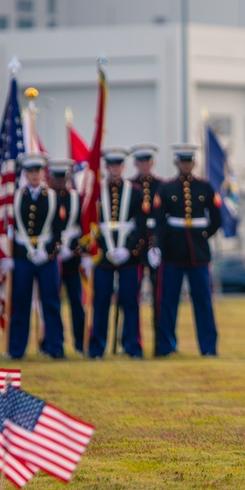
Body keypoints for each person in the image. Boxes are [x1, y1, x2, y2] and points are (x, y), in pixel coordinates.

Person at [152, 144, 223, 357]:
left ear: (194, 163)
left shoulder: (205, 187)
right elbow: (159, 220)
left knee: (203, 302)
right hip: (173, 252)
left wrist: (202, 236)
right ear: (176, 163)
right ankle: (166, 346)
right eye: (182, 161)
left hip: (198, 253)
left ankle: (208, 348)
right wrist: (158, 246)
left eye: (189, 161)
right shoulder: (166, 188)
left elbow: (216, 219)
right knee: (168, 302)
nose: (186, 165)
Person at [1, 152, 66, 360]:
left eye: (37, 171)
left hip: (46, 258)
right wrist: (8, 254)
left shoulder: (53, 196)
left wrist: (48, 252)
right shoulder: (16, 197)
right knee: (20, 304)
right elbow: (9, 227)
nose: (35, 175)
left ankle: (55, 347)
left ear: (42, 172)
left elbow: (58, 230)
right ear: (25, 174)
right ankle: (16, 349)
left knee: (51, 303)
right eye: (30, 171)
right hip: (22, 257)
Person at [87, 146, 147, 359]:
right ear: (106, 167)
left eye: (118, 165)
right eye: (111, 165)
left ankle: (132, 345)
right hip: (103, 254)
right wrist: (99, 248)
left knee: (130, 301)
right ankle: (97, 347)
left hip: (128, 255)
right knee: (101, 301)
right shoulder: (96, 191)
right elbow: (91, 223)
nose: (114, 169)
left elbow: (141, 226)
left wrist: (130, 250)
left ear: (123, 166)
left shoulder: (137, 191)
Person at [49, 158, 86, 356]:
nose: (59, 181)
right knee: (51, 302)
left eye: (62, 177)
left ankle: (80, 343)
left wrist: (75, 249)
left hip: (72, 257)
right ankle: (52, 343)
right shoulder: (46, 197)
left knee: (76, 303)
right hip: (51, 256)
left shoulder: (76, 198)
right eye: (56, 177)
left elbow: (83, 226)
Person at [129, 143, 164, 353]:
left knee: (159, 299)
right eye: (140, 162)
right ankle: (133, 343)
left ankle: (161, 345)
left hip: (156, 248)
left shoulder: (161, 185)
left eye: (147, 161)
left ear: (152, 163)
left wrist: (157, 244)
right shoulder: (130, 186)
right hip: (136, 249)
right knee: (132, 298)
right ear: (135, 164)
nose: (144, 165)